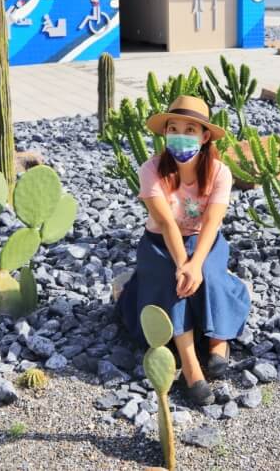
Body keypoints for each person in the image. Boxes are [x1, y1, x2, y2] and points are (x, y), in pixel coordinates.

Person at [116, 95, 251, 406]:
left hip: (204, 239)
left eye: (190, 129)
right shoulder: (150, 169)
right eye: (173, 127)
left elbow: (213, 221)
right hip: (159, 242)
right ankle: (191, 368)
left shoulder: (219, 172)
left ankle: (218, 342)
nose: (180, 135)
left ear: (204, 137)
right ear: (164, 133)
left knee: (210, 275)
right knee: (171, 284)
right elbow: (164, 222)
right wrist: (182, 265)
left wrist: (196, 263)